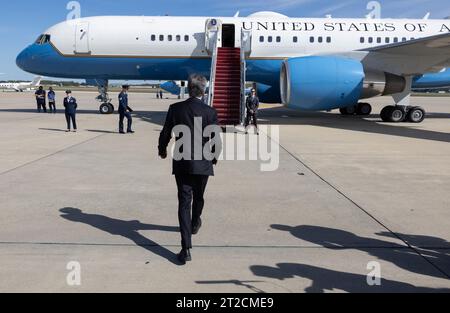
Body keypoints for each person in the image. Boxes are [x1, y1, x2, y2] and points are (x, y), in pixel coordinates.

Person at [158, 74, 222, 265]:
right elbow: (216, 139)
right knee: (199, 197)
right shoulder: (210, 112)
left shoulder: (175, 108)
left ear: (189, 89)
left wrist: (162, 150)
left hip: (182, 162)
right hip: (203, 163)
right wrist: (214, 156)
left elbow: (165, 133)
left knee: (184, 202)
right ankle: (195, 223)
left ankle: (186, 248)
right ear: (203, 91)